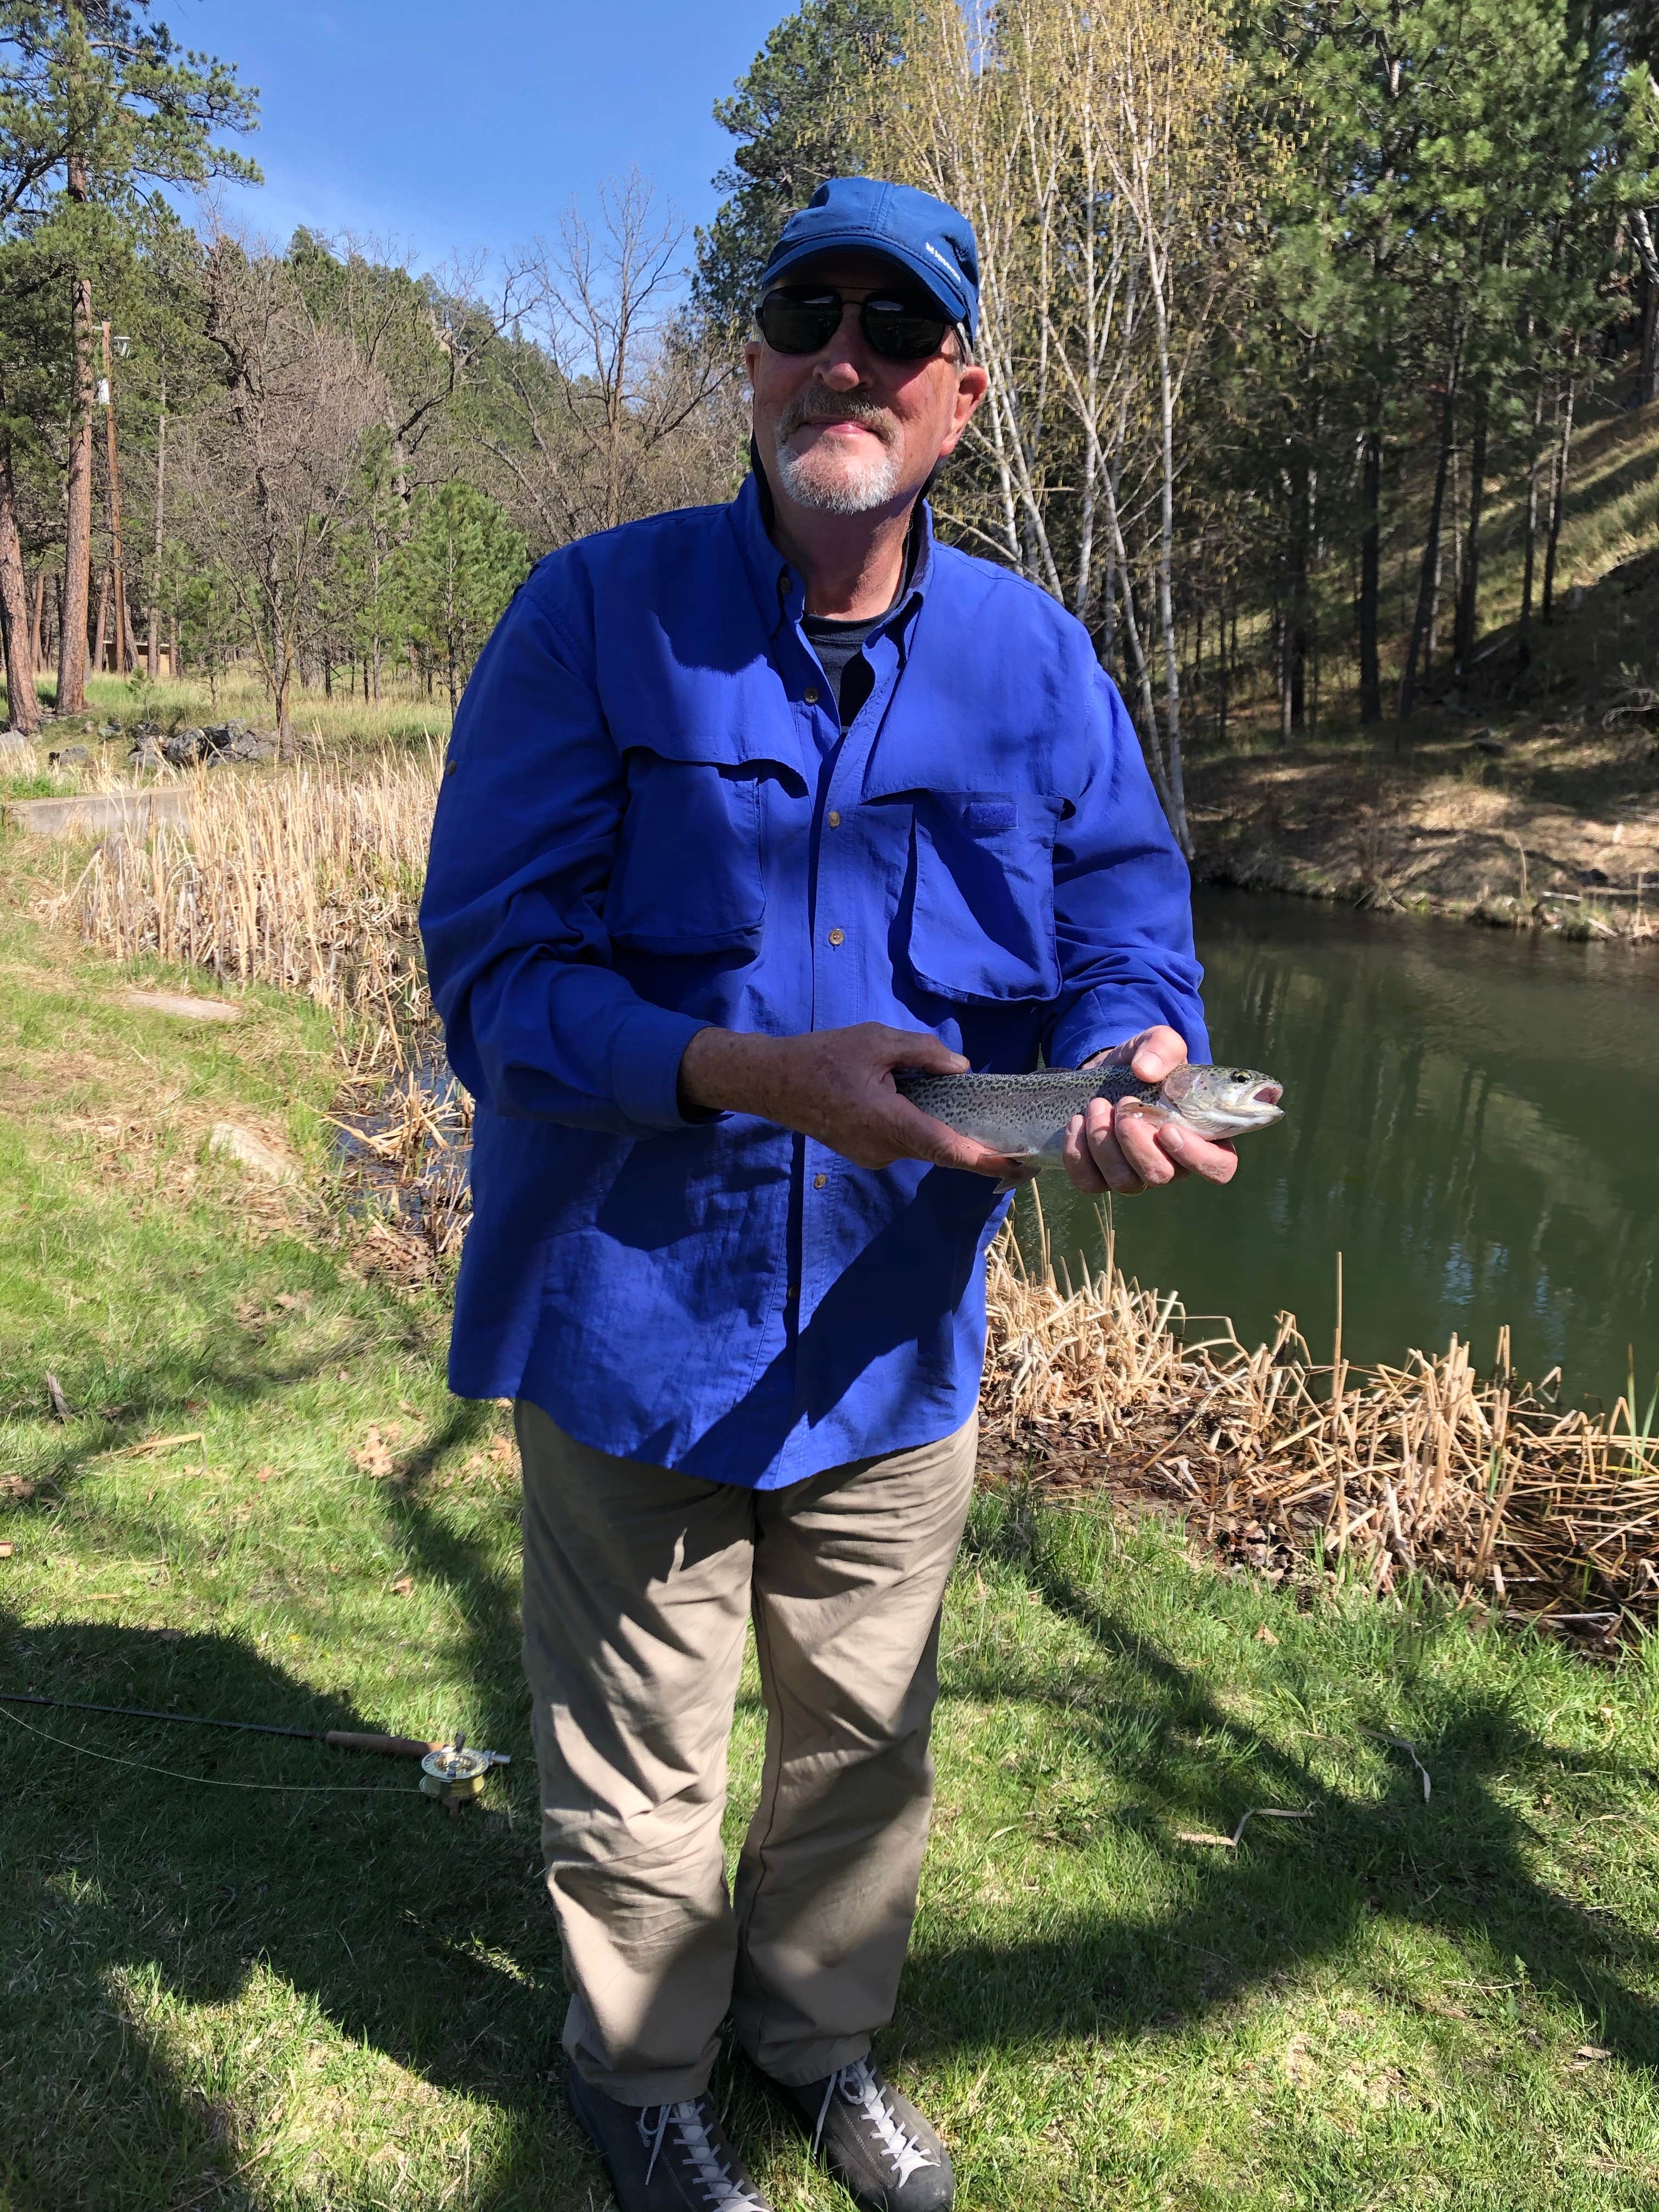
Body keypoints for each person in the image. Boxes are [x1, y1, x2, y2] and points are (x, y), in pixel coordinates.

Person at [420, 176, 1237, 2212]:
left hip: (896, 1344)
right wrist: (744, 1077)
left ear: (961, 389)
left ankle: (821, 2047)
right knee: (644, 1758)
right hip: (627, 1325)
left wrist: (1135, 1053)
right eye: (811, 315)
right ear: (756, 358)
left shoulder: (1043, 671)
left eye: (898, 327)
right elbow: (495, 984)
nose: (846, 358)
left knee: (864, 1748)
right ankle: (639, 2074)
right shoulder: (587, 618)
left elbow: (1125, 931)